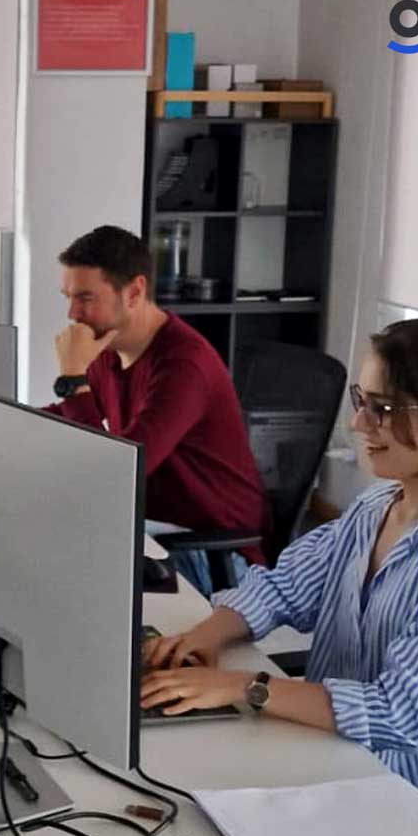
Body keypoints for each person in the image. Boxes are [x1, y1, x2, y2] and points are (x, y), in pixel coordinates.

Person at [141, 317, 418, 810]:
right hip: (344, 765)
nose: (357, 424)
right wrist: (204, 637)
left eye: (384, 409)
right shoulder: (376, 509)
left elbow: (404, 714)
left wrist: (244, 686)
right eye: (362, 401)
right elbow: (283, 587)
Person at [44, 225, 266, 588]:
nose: (72, 313)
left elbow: (121, 471)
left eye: (85, 298)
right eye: (68, 297)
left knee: (67, 575)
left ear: (134, 292)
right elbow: (71, 417)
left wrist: (72, 378)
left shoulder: (184, 364)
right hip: (154, 530)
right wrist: (6, 427)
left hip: (211, 553)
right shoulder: (111, 351)